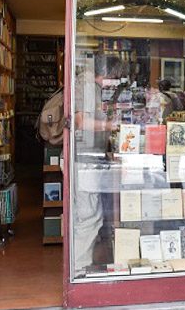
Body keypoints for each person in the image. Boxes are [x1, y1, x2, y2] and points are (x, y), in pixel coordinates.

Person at [72, 53, 129, 272]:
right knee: (88, 216)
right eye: (115, 77)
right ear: (107, 73)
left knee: (89, 214)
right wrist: (109, 126)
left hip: (88, 158)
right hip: (84, 160)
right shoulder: (86, 85)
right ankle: (78, 270)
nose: (115, 82)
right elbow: (80, 122)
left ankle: (80, 266)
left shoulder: (91, 86)